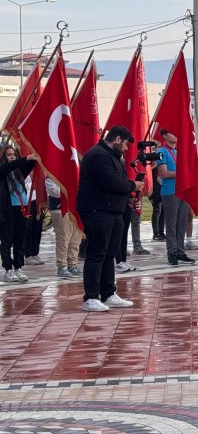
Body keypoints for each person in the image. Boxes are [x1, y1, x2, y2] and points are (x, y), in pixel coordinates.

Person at [76, 126, 138, 312]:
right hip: (97, 210)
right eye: (126, 144)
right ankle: (91, 297)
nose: (127, 148)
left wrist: (127, 199)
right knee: (97, 253)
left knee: (110, 253)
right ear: (118, 139)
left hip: (113, 211)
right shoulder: (97, 155)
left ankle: (108, 293)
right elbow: (110, 182)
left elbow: (118, 183)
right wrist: (133, 185)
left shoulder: (113, 157)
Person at [157, 130, 195, 266]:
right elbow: (164, 173)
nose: (175, 134)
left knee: (182, 222)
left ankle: (180, 250)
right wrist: (183, 173)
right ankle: (172, 252)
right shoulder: (161, 151)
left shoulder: (179, 152)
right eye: (172, 132)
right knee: (172, 223)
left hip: (183, 190)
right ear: (165, 136)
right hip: (170, 191)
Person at [1, 145, 37, 283]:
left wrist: (35, 156)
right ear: (3, 157)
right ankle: (8, 269)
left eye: (14, 155)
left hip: (21, 210)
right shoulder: (2, 171)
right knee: (6, 241)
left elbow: (31, 163)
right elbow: (8, 167)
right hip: (7, 211)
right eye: (8, 155)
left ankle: (18, 267)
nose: (12, 157)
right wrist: (25, 158)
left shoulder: (19, 172)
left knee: (19, 240)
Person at [45, 177, 83, 278]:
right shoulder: (53, 173)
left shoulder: (75, 168)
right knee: (63, 238)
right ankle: (62, 265)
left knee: (76, 238)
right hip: (60, 208)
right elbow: (53, 190)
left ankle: (73, 264)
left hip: (76, 208)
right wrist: (70, 192)